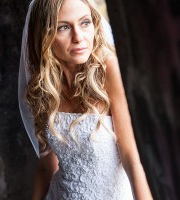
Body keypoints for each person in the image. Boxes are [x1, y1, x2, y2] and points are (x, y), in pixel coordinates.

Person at [18, 0, 153, 199]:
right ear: (44, 35)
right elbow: (47, 167)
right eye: (63, 27)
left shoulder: (109, 70)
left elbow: (131, 157)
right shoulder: (43, 86)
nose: (79, 37)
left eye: (85, 22)